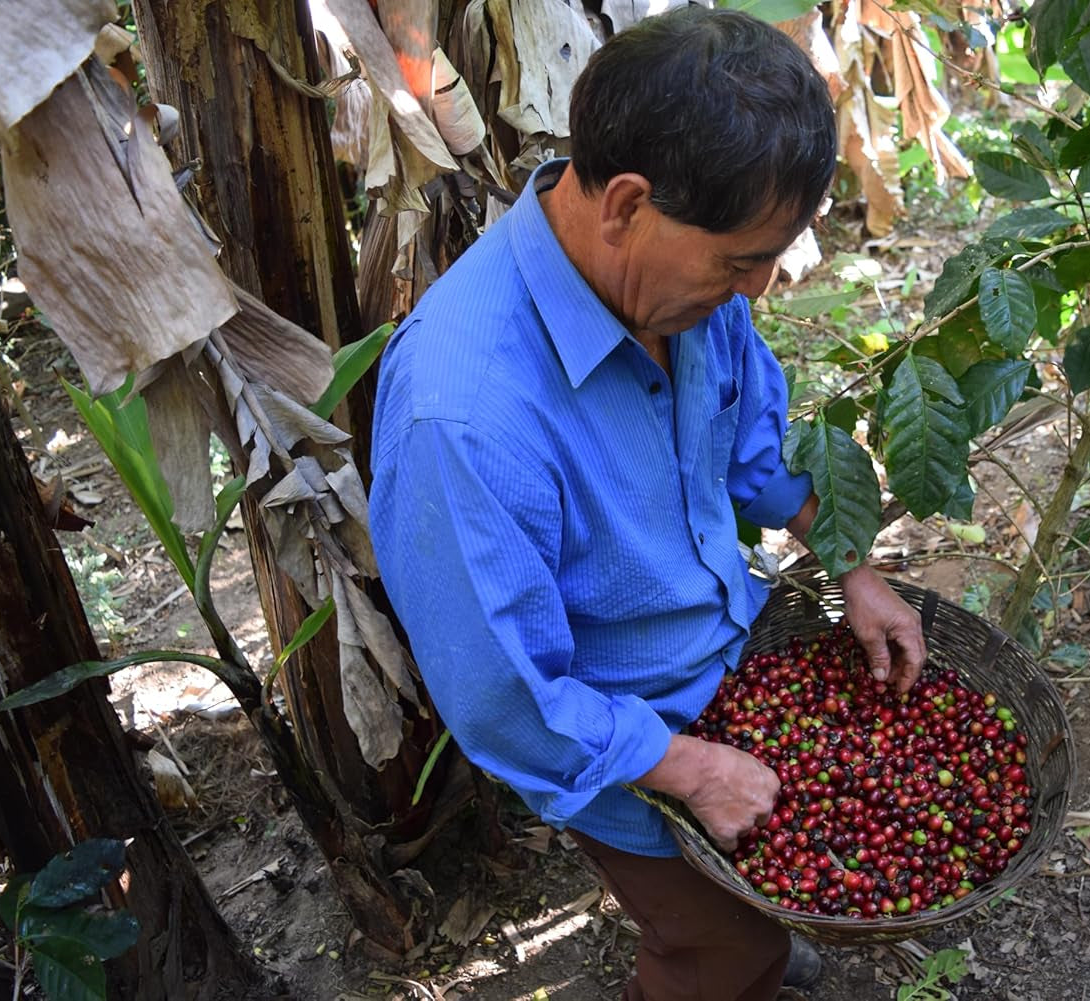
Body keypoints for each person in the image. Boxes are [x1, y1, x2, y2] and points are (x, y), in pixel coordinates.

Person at [367, 8, 927, 999]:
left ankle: (746, 948)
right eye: (738, 261)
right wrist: (690, 768)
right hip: (626, 736)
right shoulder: (465, 415)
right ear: (627, 203)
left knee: (753, 919)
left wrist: (853, 564)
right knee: (713, 949)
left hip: (740, 669)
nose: (757, 290)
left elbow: (753, 440)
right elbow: (507, 699)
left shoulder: (685, 294)